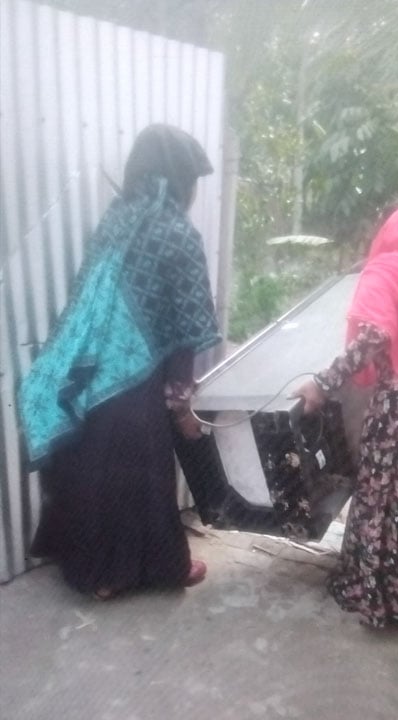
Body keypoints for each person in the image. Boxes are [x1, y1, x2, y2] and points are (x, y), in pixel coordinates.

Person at [19, 123, 220, 600]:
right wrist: (181, 400)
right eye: (193, 181)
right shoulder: (177, 234)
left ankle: (95, 574)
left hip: (82, 374)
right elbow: (187, 328)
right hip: (135, 380)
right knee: (142, 479)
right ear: (179, 180)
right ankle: (149, 570)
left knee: (91, 473)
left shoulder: (115, 220)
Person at [292, 204, 398, 628]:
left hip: (397, 403)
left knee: (378, 495)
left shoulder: (384, 271)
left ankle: (373, 595)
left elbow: (374, 334)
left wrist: (323, 383)